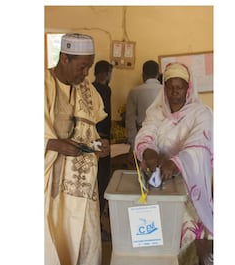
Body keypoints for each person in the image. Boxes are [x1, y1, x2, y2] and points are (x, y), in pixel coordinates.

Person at [134, 62, 213, 265]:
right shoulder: (156, 111)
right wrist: (148, 151)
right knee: (161, 234)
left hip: (190, 186)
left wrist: (175, 163)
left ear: (188, 89)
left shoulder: (201, 113)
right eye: (169, 87)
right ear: (164, 88)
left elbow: (199, 145)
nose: (174, 92)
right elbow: (146, 133)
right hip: (161, 183)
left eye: (179, 87)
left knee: (188, 239)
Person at [44, 33, 110, 265]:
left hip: (82, 186)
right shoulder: (42, 85)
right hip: (52, 185)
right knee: (54, 236)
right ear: (64, 59)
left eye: (89, 67)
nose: (86, 74)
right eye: (82, 67)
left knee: (85, 238)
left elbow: (89, 134)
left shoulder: (87, 90)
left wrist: (99, 144)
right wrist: (53, 144)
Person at [92, 60, 113, 240]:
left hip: (92, 139)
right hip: (102, 139)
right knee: (102, 180)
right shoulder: (105, 90)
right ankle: (97, 224)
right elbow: (106, 118)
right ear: (105, 74)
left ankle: (95, 222)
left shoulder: (89, 88)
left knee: (95, 180)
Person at [125, 60, 163, 148]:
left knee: (144, 160)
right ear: (158, 74)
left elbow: (130, 119)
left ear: (143, 75)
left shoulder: (134, 92)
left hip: (142, 134)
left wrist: (132, 141)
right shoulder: (165, 91)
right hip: (162, 135)